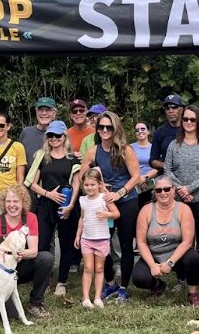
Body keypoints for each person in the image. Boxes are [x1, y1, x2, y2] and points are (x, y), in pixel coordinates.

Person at [0, 183, 53, 317]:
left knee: (46, 258)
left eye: (16, 201)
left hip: (18, 266)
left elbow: (34, 251)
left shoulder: (30, 218)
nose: (12, 205)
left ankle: (35, 303)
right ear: (3, 203)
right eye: (8, 201)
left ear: (23, 202)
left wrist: (20, 254)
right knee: (11, 315)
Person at [87, 110, 142, 302]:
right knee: (101, 244)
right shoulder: (93, 151)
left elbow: (136, 177)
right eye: (101, 127)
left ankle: (124, 288)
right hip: (104, 203)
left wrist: (119, 193)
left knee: (126, 245)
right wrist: (98, 187)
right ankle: (110, 284)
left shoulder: (125, 150)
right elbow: (83, 174)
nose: (104, 130)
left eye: (108, 127)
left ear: (115, 128)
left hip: (126, 201)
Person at [163, 104, 199, 292]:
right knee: (181, 240)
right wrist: (181, 189)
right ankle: (181, 278)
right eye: (185, 119)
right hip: (179, 199)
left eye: (192, 119)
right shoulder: (174, 144)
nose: (188, 122)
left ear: (198, 121)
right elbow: (167, 170)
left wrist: (190, 188)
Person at [26, 121, 81, 296]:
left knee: (66, 245)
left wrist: (71, 205)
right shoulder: (42, 156)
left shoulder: (73, 159)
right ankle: (44, 279)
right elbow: (31, 183)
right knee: (42, 244)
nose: (54, 139)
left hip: (66, 205)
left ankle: (62, 282)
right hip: (46, 205)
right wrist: (48, 194)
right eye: (50, 135)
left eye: (58, 135)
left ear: (64, 137)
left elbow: (77, 184)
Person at [133, 176, 199, 305]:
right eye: (159, 190)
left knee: (194, 259)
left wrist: (170, 263)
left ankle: (193, 293)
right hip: (154, 254)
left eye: (166, 189)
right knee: (139, 278)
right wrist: (152, 265)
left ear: (174, 190)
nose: (163, 193)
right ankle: (157, 285)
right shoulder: (146, 210)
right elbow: (141, 242)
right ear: (154, 192)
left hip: (177, 255)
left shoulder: (183, 209)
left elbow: (187, 242)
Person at [75, 168, 119, 307]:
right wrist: (78, 234)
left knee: (99, 268)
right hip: (87, 239)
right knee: (88, 268)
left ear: (99, 184)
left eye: (92, 184)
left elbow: (117, 213)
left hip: (102, 238)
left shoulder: (104, 199)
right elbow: (82, 218)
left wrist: (108, 215)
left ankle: (98, 297)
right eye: (86, 185)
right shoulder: (83, 200)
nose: (89, 188)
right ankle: (86, 298)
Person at [150, 93, 184, 171]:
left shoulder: (188, 129)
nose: (170, 111)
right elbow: (152, 160)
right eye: (167, 108)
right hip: (167, 176)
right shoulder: (160, 131)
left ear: (181, 110)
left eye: (174, 107)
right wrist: (166, 165)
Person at [19, 96, 58, 163]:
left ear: (54, 113)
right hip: (27, 173)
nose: (44, 113)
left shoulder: (59, 134)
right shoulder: (26, 132)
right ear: (36, 112)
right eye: (41, 110)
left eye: (48, 110)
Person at [130, 120, 159, 206]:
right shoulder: (129, 147)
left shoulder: (154, 147)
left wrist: (145, 178)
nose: (140, 131)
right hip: (133, 184)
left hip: (151, 184)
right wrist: (137, 179)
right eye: (137, 130)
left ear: (148, 131)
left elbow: (157, 167)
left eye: (143, 129)